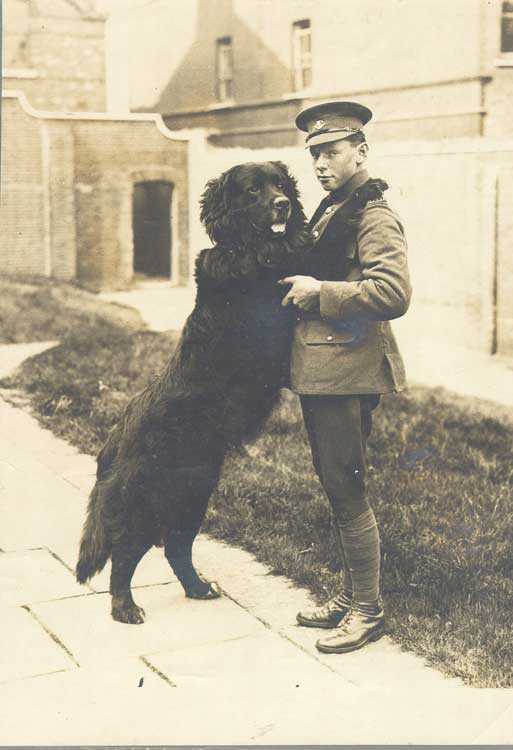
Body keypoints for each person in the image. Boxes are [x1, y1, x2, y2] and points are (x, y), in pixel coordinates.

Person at [279, 101, 412, 654]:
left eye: (331, 152)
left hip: (346, 371)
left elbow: (393, 294)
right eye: (314, 154)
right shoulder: (334, 209)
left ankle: (367, 610)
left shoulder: (373, 214)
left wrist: (320, 292)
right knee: (339, 485)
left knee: (346, 487)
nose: (320, 165)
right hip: (326, 367)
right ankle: (354, 593)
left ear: (361, 151)